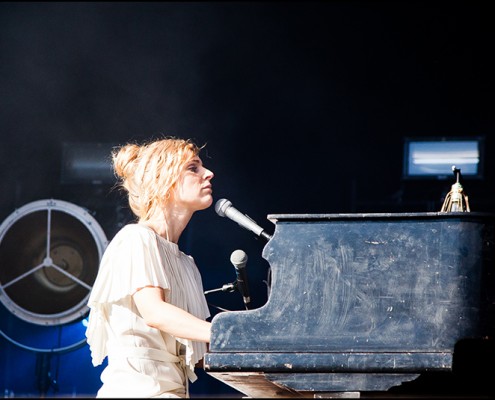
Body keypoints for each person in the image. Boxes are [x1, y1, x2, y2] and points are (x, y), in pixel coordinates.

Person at [85, 136, 214, 398]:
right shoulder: (136, 238)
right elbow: (155, 312)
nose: (209, 174)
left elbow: (199, 351)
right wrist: (229, 335)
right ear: (163, 179)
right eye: (193, 168)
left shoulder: (187, 264)